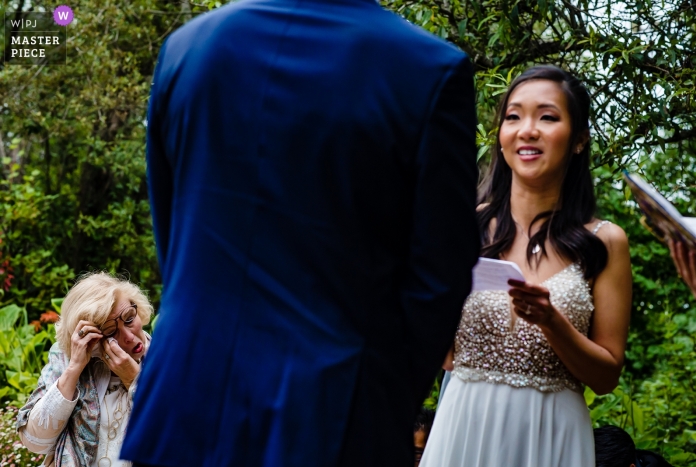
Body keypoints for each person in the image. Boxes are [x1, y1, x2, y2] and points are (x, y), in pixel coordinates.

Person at [121, 0, 481, 466]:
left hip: (184, 401)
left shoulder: (189, 48)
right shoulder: (427, 69)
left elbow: (174, 241)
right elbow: (440, 276)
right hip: (334, 415)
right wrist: (378, 394)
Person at [419, 65, 633, 467]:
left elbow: (606, 378)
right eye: (513, 117)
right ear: (500, 137)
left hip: (552, 434)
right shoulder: (466, 225)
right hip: (466, 426)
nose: (527, 130)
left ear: (579, 140)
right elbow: (443, 354)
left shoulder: (605, 241)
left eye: (547, 117)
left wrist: (552, 321)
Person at [16, 272, 153, 467]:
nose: (129, 337)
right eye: (111, 331)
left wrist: (134, 380)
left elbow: (178, 435)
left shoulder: (165, 358)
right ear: (93, 338)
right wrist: (74, 368)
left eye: (130, 319)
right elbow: (34, 441)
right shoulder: (66, 361)